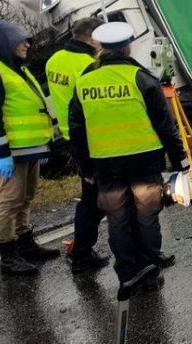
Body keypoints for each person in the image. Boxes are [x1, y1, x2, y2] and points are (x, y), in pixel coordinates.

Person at [68, 22, 188, 299]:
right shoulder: (142, 78)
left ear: (100, 48)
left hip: (105, 165)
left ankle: (128, 275)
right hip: (143, 161)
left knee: (117, 219)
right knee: (146, 217)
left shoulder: (85, 81)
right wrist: (180, 159)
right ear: (128, 46)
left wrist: (84, 166)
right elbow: (164, 124)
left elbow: (76, 127)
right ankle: (148, 267)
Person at [45, 17, 110, 274]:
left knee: (91, 198)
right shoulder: (88, 65)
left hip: (72, 137)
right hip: (92, 137)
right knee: (96, 200)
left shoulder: (54, 60)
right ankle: (82, 254)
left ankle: (82, 250)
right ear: (92, 36)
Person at [0, 20, 59, 276]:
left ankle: (25, 243)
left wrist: (44, 144)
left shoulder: (19, 68)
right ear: (4, 44)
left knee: (26, 197)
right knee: (8, 201)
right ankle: (8, 256)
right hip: (10, 153)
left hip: (29, 149)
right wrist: (1, 154)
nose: (27, 45)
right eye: (21, 41)